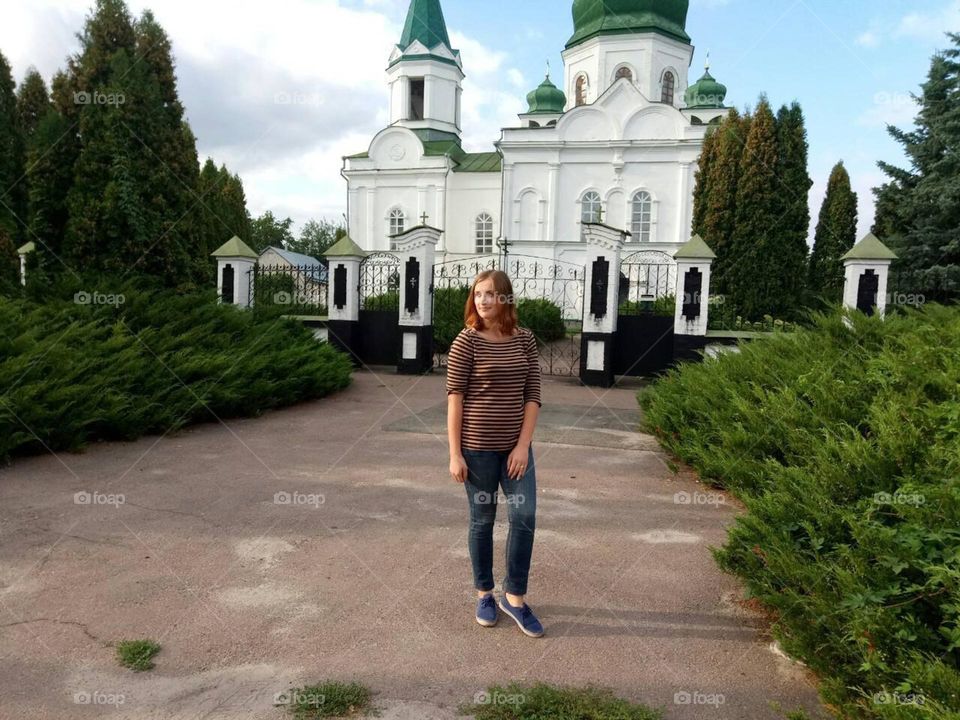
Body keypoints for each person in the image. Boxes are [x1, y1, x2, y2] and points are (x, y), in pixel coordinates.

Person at [445, 269, 544, 637]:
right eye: (478, 294)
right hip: (477, 450)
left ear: (505, 298)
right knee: (482, 520)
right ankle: (485, 593)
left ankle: (514, 598)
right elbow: (455, 401)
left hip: (515, 450)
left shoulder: (525, 340)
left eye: (490, 294)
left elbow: (532, 395)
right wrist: (455, 454)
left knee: (525, 516)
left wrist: (522, 445)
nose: (483, 300)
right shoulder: (465, 342)